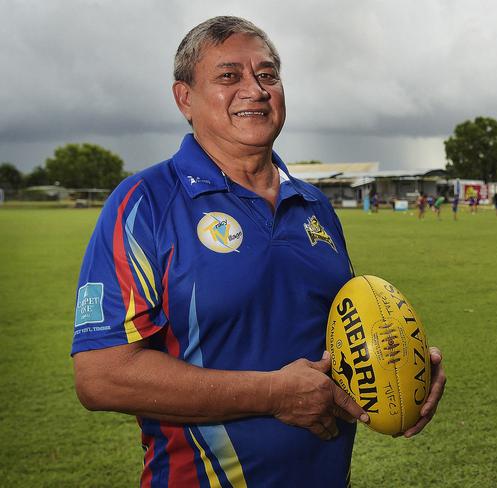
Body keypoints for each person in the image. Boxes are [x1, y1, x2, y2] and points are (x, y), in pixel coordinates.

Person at [71, 17, 446, 488]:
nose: (255, 89)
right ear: (184, 98)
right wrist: (273, 393)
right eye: (229, 76)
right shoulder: (144, 204)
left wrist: (401, 370)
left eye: (267, 75)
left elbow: (338, 339)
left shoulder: (315, 205)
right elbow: (101, 376)